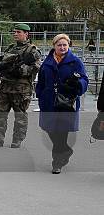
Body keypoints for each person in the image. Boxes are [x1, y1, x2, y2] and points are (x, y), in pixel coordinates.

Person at [35, 34, 88, 174]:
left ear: (69, 46)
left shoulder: (75, 62)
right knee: (50, 129)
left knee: (61, 132)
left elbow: (84, 79)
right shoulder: (47, 62)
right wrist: (39, 94)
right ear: (54, 46)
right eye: (59, 45)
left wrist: (78, 84)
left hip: (66, 102)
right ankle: (66, 150)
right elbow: (41, 81)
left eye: (65, 45)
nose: (62, 47)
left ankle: (57, 162)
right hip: (48, 102)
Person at [0, 23, 42, 148]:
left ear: (26, 34)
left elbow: (36, 68)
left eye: (19, 32)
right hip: (5, 87)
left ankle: (17, 140)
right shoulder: (10, 48)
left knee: (20, 116)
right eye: (14, 32)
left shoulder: (32, 51)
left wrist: (20, 71)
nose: (15, 34)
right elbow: (1, 62)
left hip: (21, 89)